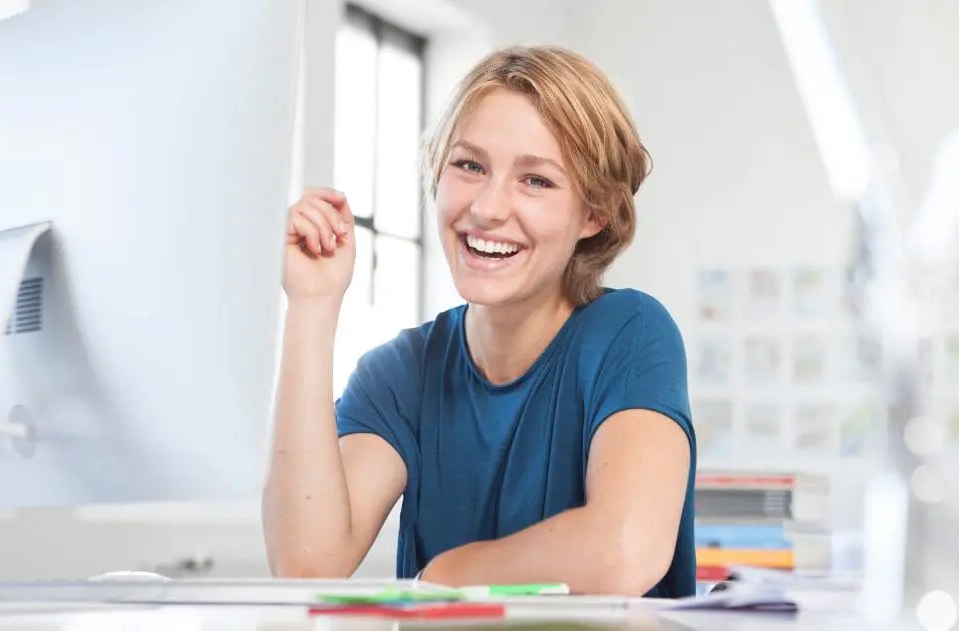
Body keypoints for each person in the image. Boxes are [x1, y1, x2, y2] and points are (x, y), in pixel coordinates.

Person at [262, 44, 696, 598]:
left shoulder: (630, 334)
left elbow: (625, 550)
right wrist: (311, 306)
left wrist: (441, 578)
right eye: (470, 166)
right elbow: (305, 565)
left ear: (595, 213)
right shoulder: (401, 372)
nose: (489, 208)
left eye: (536, 180)